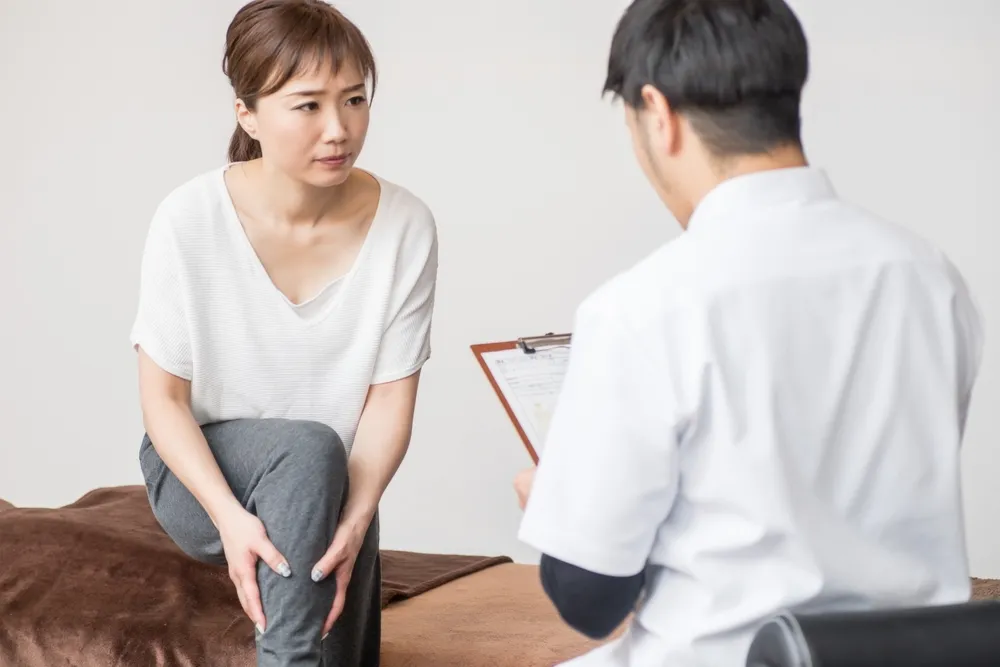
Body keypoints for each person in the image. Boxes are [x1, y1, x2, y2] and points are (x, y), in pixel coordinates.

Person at [513, 0, 984, 665]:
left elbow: (591, 602)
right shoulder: (930, 277)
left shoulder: (641, 308)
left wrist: (557, 503)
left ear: (657, 114)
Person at [131, 1, 437, 666]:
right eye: (308, 106)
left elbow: (390, 399)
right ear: (247, 114)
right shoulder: (189, 219)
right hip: (201, 469)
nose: (339, 129)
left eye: (354, 99)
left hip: (323, 481)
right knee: (308, 447)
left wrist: (357, 519)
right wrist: (229, 518)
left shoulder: (405, 225)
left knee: (326, 481)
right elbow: (163, 402)